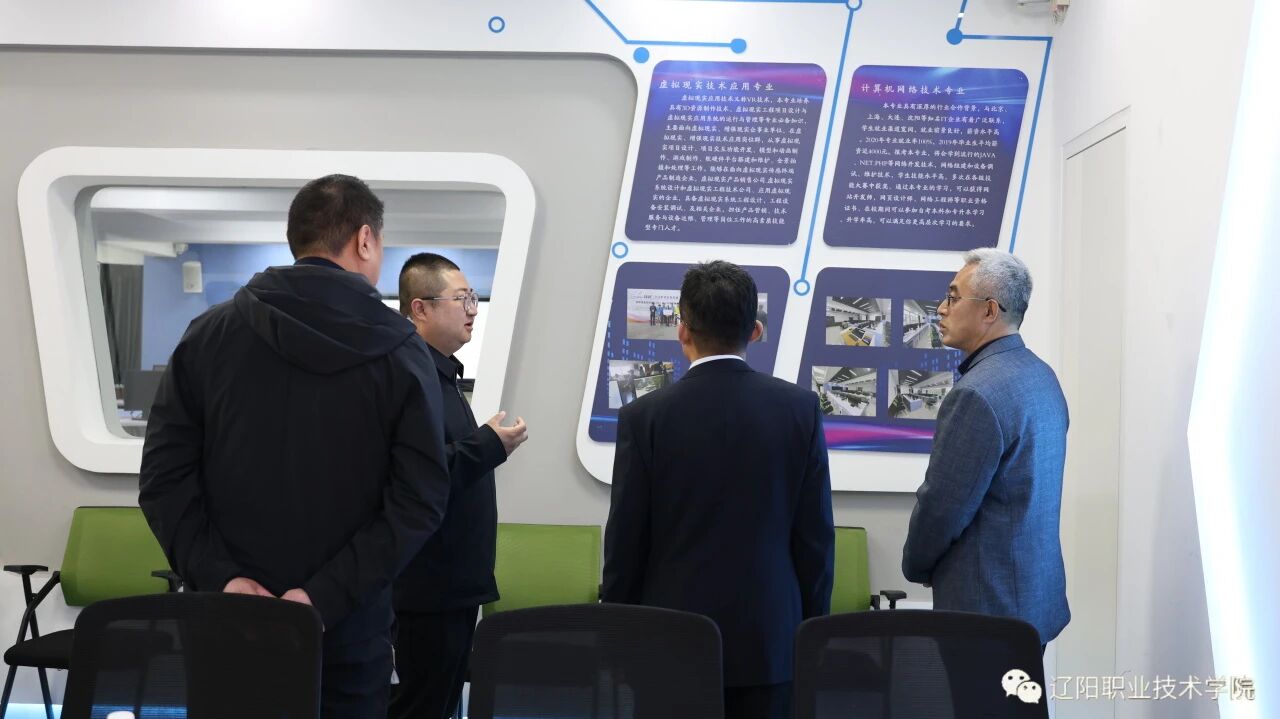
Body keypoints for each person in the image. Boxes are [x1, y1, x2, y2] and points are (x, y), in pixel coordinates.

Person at [139, 174, 451, 718]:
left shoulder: (207, 334)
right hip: (348, 631)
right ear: (364, 240)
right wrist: (322, 597)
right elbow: (418, 498)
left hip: (226, 625)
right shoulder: (402, 351)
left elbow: (164, 480)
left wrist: (223, 579)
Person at [603, 260, 834, 719]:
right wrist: (812, 632)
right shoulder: (800, 409)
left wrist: (621, 635)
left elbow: (626, 542)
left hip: (670, 640)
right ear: (755, 331)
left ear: (683, 330)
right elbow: (815, 540)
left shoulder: (643, 417)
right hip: (770, 639)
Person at [902, 248, 1070, 654]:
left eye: (953, 297)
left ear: (990, 310)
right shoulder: (1041, 375)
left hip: (985, 613)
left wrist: (915, 564)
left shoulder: (976, 393)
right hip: (1029, 600)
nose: (941, 309)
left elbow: (943, 506)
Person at [390, 253, 529, 719]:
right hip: (428, 587)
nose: (473, 309)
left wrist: (485, 443)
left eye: (474, 298)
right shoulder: (410, 376)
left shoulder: (442, 373)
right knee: (420, 704)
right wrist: (488, 445)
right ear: (420, 309)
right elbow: (417, 473)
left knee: (442, 703)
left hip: (453, 584)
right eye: (461, 299)